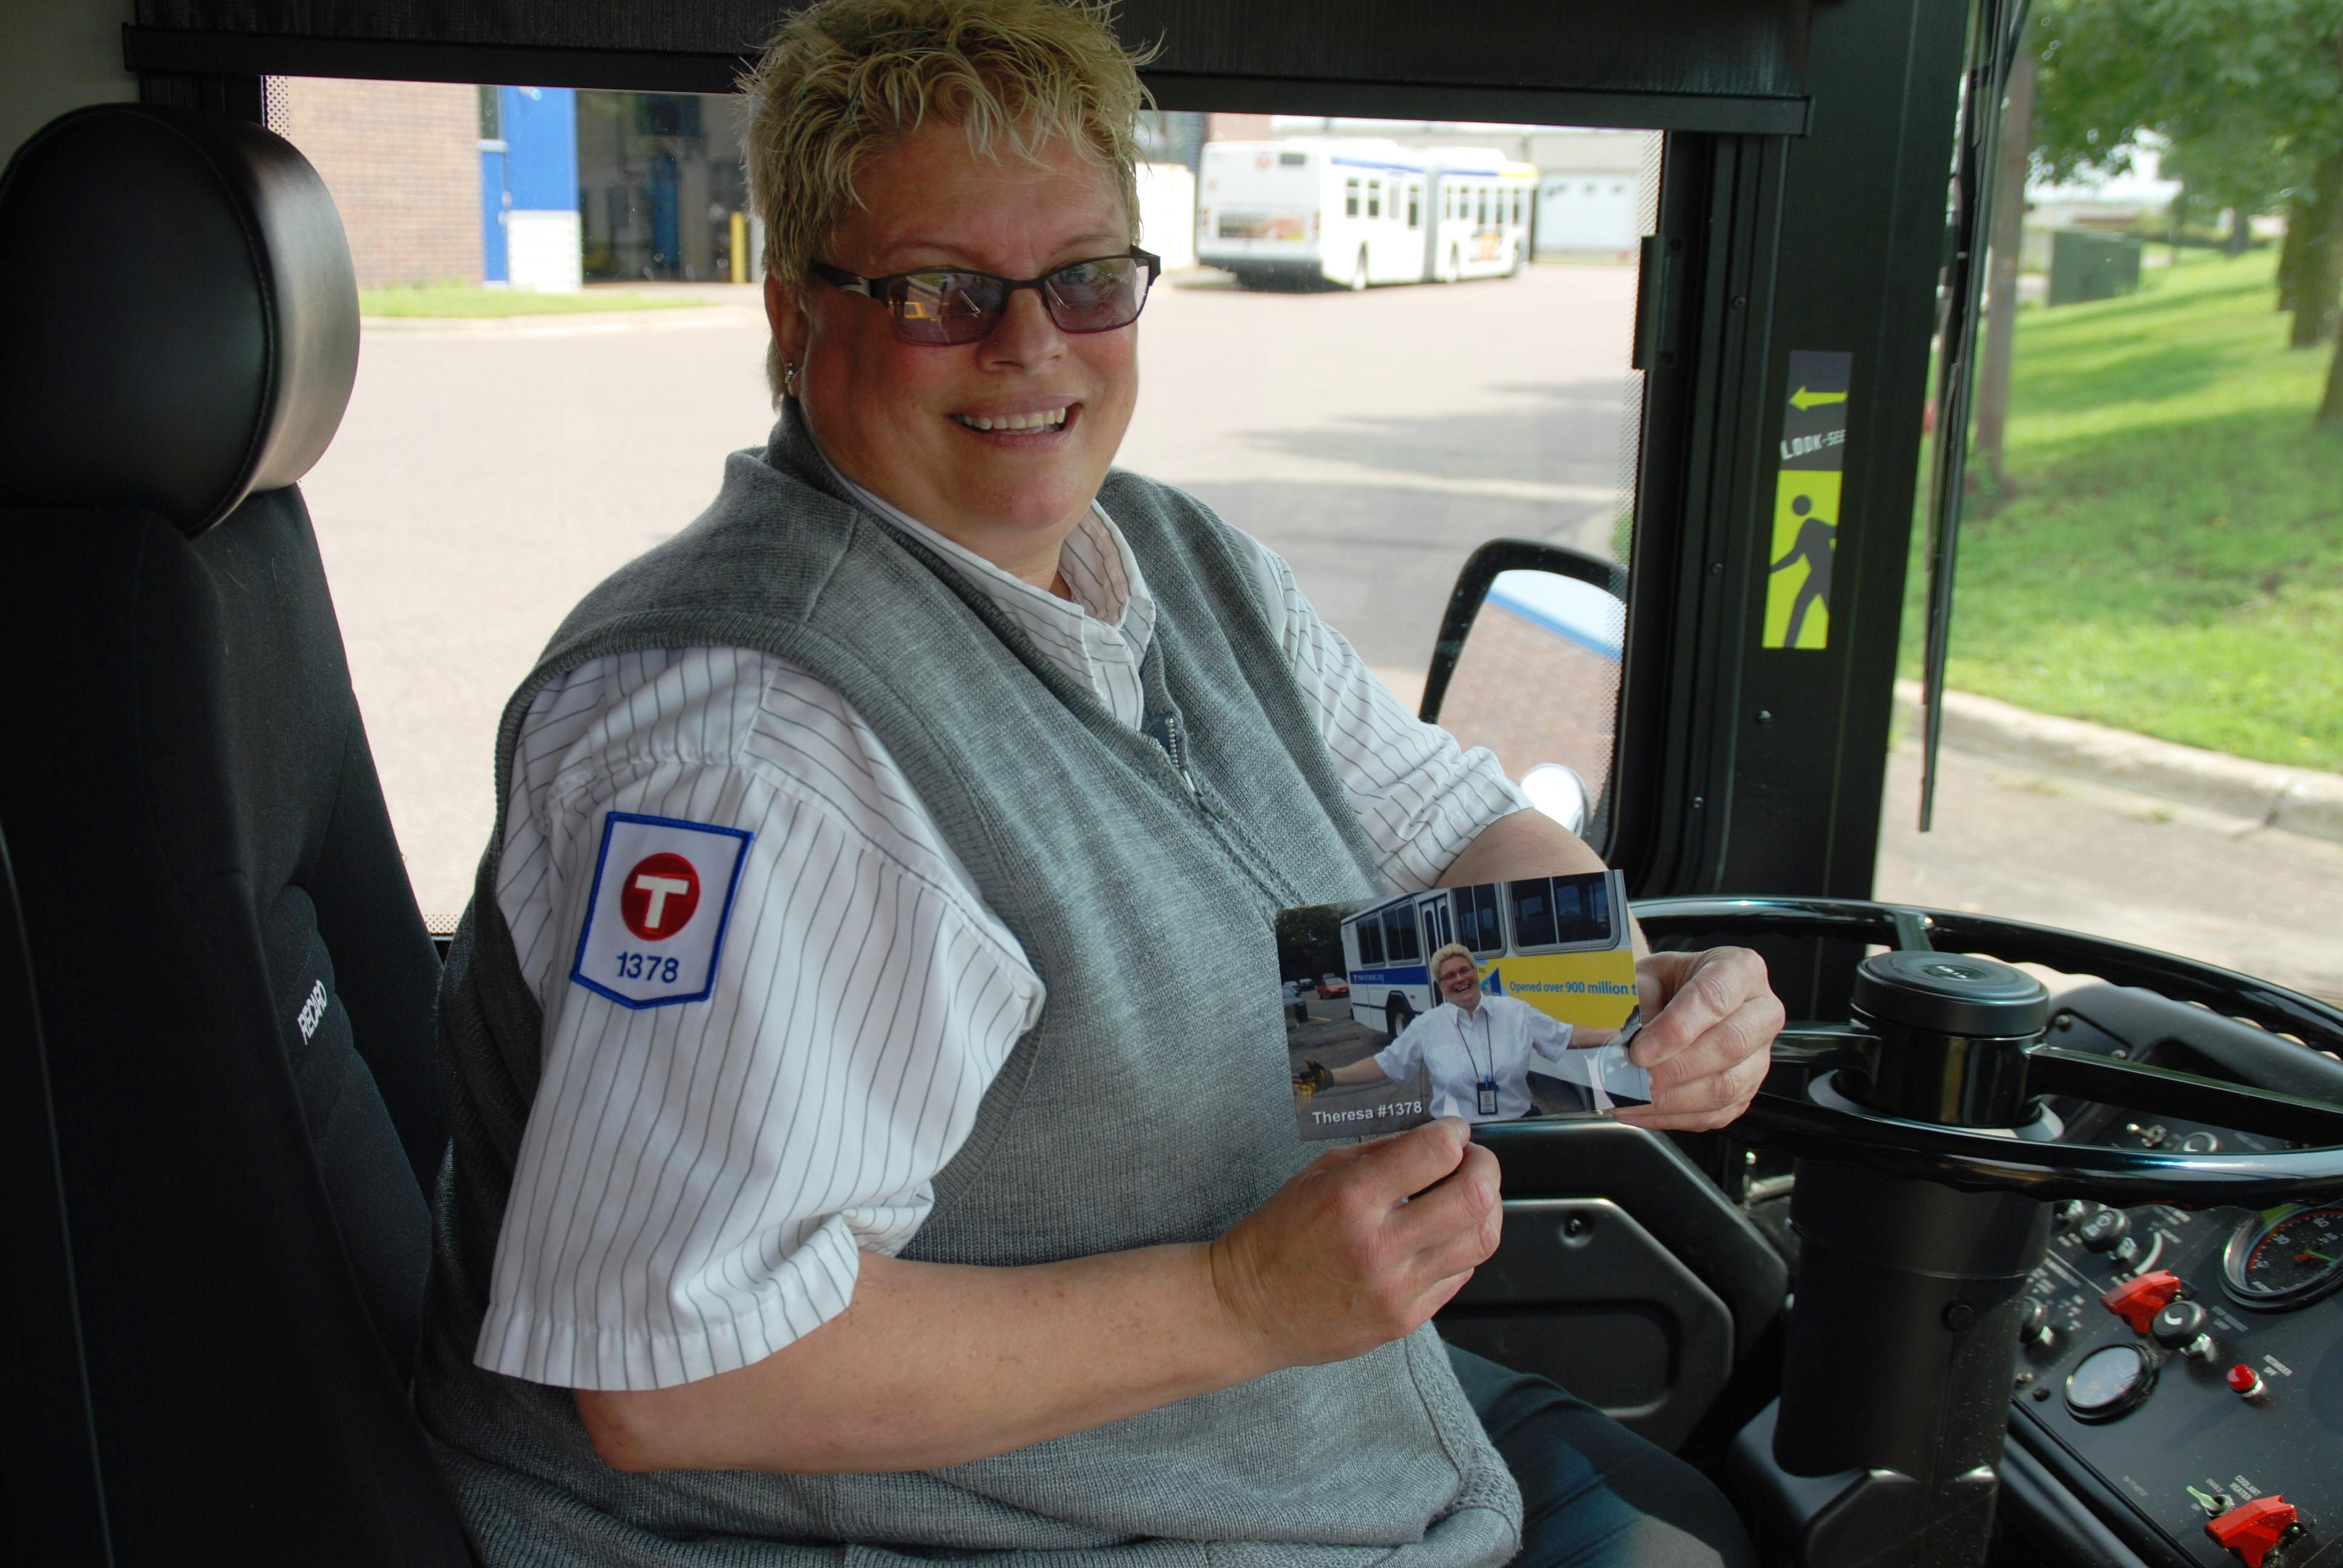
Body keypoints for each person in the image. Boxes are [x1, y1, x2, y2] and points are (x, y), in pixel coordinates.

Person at [413, 4, 1783, 1564]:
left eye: (1082, 279)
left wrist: (1626, 997)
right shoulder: (750, 748)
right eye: (941, 290)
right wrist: (1243, 1299)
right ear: (796, 318)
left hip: (1284, 1435)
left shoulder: (1173, 560)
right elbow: (672, 1375)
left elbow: (1431, 820)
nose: (1029, 345)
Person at [1301, 944, 1648, 1121]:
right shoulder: (1426, 1027)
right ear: (1439, 985)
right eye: (1449, 976)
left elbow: (1567, 1035)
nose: (1459, 979)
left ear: (1476, 973)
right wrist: (1330, 1078)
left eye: (1465, 970)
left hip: (1519, 1128)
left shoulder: (1514, 1012)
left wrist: (1622, 1035)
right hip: (1456, 1140)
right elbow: (1385, 1064)